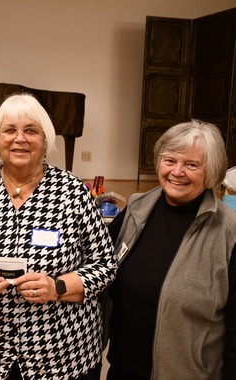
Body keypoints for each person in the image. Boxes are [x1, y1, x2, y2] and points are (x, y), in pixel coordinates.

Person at [0, 93, 117, 380]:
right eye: (9, 130)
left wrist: (56, 286)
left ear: (45, 140)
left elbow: (106, 264)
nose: (19, 139)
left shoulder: (73, 193)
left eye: (30, 130)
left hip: (62, 355)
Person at [106, 120, 236, 380]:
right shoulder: (136, 209)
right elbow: (98, 266)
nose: (177, 172)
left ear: (210, 170)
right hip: (122, 368)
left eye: (191, 164)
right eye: (170, 160)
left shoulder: (228, 233)